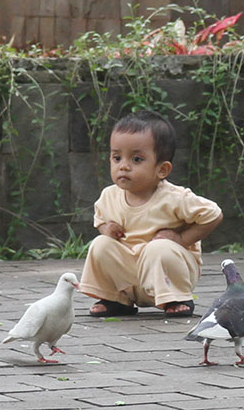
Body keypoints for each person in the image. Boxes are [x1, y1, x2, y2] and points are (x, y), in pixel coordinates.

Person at [79, 110, 223, 317]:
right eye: (117, 157)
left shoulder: (174, 198)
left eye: (136, 159)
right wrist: (106, 228)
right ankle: (117, 299)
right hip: (131, 274)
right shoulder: (109, 195)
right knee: (101, 244)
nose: (124, 166)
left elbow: (213, 214)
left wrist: (182, 238)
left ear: (162, 169)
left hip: (167, 274)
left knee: (160, 247)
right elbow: (100, 220)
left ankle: (176, 298)